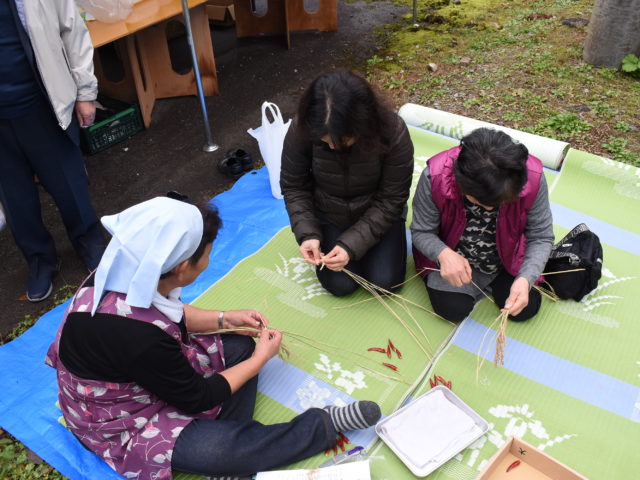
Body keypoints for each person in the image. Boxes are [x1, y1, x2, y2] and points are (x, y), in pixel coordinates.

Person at [45, 197, 381, 480]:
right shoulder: (140, 339)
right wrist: (260, 360)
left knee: (239, 344)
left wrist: (225, 318)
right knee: (222, 449)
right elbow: (198, 396)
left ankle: (228, 439)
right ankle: (322, 424)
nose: (208, 261)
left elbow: (167, 312)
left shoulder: (125, 270)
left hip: (146, 377)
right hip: (121, 421)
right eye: (206, 254)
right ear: (181, 267)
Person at [0, 0, 104, 302]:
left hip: (42, 104)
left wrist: (85, 93)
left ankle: (90, 243)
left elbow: (74, 32)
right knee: (16, 199)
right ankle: (40, 260)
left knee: (68, 185)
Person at [280, 70, 415, 296]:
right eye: (325, 140)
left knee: (384, 283)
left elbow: (392, 199)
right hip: (329, 212)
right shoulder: (302, 128)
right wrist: (308, 233)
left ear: (364, 123)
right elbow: (294, 186)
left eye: (341, 140)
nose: (332, 147)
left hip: (378, 212)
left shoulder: (393, 131)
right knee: (340, 285)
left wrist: (350, 246)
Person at [411, 128, 554, 323]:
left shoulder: (532, 179)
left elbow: (541, 236)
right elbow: (422, 231)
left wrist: (525, 279)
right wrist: (442, 254)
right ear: (461, 182)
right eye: (480, 201)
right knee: (452, 310)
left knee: (523, 309)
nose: (489, 208)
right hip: (452, 252)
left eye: (499, 202)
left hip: (508, 256)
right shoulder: (436, 176)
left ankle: (499, 280)